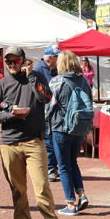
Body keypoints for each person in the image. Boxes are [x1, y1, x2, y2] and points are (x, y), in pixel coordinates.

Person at [0, 47, 66, 219]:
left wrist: (32, 77)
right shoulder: (1, 85)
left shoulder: (38, 77)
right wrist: (10, 116)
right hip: (9, 143)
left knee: (42, 187)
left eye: (15, 61)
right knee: (18, 190)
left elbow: (46, 98)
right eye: (9, 62)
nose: (11, 65)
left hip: (34, 141)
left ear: (23, 61)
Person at [47, 51, 93, 215]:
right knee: (73, 162)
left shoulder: (56, 81)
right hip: (79, 128)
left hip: (61, 127)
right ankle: (81, 194)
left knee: (64, 166)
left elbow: (49, 106)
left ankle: (71, 204)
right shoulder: (84, 81)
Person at [34, 45, 61, 182]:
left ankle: (54, 167)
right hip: (45, 112)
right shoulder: (38, 71)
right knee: (49, 141)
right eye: (57, 57)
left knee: (54, 140)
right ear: (50, 58)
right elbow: (38, 92)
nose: (60, 59)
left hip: (55, 112)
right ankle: (51, 168)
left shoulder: (54, 70)